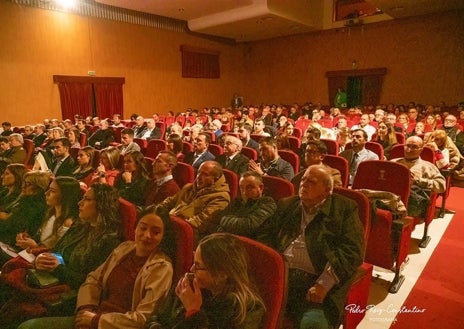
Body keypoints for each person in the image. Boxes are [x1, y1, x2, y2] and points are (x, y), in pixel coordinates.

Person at [17, 205, 176, 329]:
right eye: (143, 227)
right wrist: (86, 309)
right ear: (136, 227)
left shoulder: (161, 267)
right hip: (91, 315)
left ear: (163, 237)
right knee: (27, 325)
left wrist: (96, 320)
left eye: (155, 232)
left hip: (113, 325)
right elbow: (94, 279)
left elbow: (142, 318)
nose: (147, 235)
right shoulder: (125, 248)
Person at [0, 183, 122, 327]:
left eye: (87, 199)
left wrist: (57, 268)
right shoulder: (79, 226)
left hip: (65, 293)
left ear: (102, 205)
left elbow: (91, 283)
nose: (80, 203)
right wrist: (42, 259)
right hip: (48, 278)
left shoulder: (109, 242)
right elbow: (56, 251)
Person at [260, 165, 364, 329]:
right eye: (303, 180)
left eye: (312, 182)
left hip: (315, 282)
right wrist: (271, 268)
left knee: (313, 324)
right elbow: (266, 236)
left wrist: (324, 284)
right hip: (282, 276)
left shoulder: (344, 209)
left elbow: (352, 252)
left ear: (327, 189)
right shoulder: (287, 205)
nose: (304, 185)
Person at [145, 233, 265, 329]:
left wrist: (194, 313)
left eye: (198, 266)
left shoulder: (247, 309)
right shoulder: (191, 285)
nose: (192, 269)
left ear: (222, 273)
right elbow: (155, 319)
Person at [160, 161, 230, 240]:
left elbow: (199, 223)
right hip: (170, 226)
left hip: (187, 236)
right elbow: (169, 202)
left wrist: (169, 223)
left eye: (205, 174)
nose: (198, 177)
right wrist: (156, 211)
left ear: (215, 179)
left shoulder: (221, 197)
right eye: (198, 172)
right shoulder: (189, 187)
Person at [15, 176, 81, 251]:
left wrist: (35, 246)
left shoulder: (68, 223)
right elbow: (42, 239)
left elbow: (59, 253)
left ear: (65, 196)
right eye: (48, 189)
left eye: (52, 191)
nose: (46, 193)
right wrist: (26, 238)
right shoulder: (50, 212)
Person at [391, 136, 446, 217]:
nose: (409, 149)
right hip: (390, 198)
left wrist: (419, 180)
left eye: (414, 147)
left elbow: (441, 186)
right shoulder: (393, 162)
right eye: (408, 146)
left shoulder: (428, 166)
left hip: (410, 203)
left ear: (421, 150)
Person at [216, 171, 276, 239]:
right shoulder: (238, 202)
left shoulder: (268, 203)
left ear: (261, 187)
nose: (244, 192)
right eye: (241, 187)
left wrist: (225, 221)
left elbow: (248, 225)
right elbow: (218, 219)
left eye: (249, 187)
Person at [0, 170, 50, 247]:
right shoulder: (24, 198)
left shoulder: (34, 206)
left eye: (28, 184)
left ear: (39, 188)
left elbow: (13, 227)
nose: (23, 186)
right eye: (24, 183)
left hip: (11, 242)